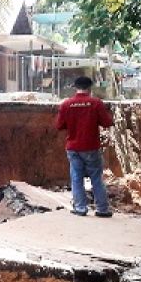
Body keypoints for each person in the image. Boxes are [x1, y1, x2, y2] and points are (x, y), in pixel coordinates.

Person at [55, 75, 114, 217]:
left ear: (75, 88)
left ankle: (80, 208)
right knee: (96, 178)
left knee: (76, 178)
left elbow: (59, 126)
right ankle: (102, 209)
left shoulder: (66, 104)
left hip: (73, 147)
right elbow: (107, 122)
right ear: (89, 88)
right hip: (91, 146)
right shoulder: (96, 103)